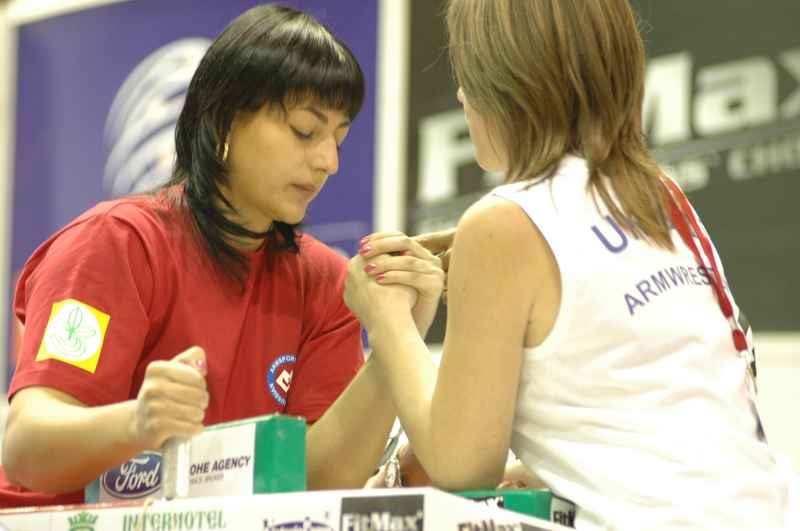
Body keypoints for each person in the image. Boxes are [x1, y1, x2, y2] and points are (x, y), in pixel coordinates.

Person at [344, 0, 798, 529]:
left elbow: (459, 463)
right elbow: (650, 403)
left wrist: (388, 319)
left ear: (504, 86)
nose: (461, 95)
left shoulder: (502, 226)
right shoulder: (659, 194)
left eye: (465, 74)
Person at [0, 4, 443, 508]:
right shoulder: (113, 243)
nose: (328, 162)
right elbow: (26, 447)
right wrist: (138, 422)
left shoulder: (324, 279)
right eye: (305, 131)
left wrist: (397, 335)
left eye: (338, 139)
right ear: (225, 120)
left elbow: (318, 482)